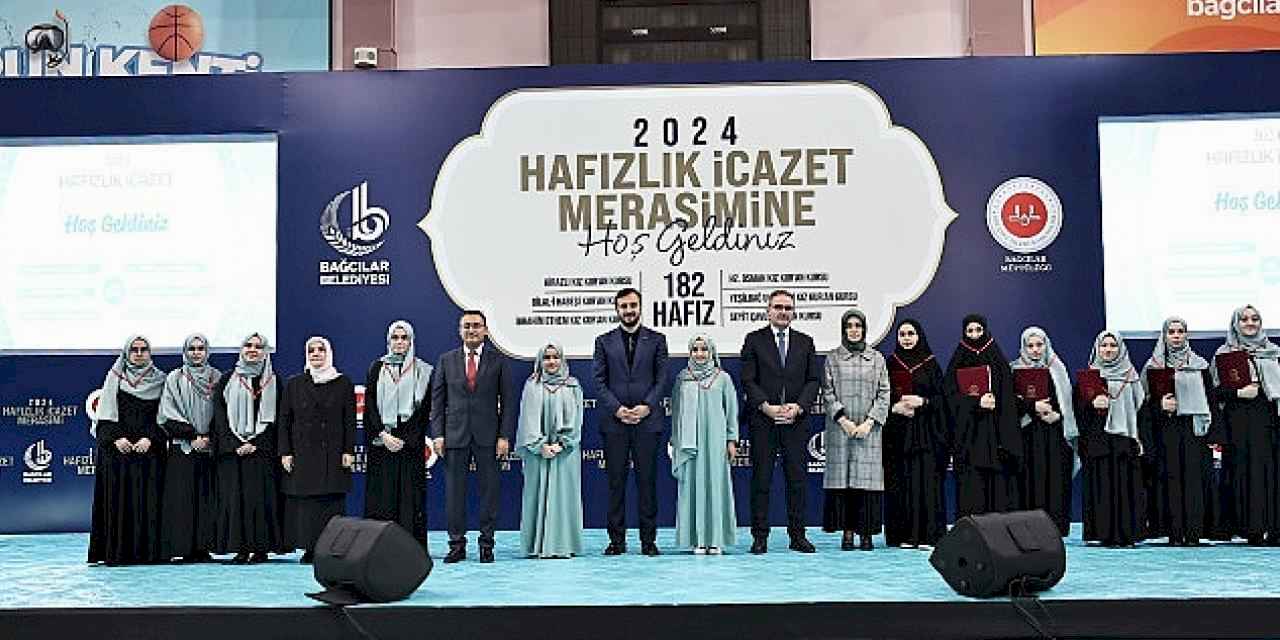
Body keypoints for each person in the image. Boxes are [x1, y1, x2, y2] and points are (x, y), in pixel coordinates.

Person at [430, 310, 516, 564]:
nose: (471, 330)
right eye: (466, 326)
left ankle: (486, 545)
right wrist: (438, 435)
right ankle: (456, 545)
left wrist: (504, 436)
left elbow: (508, 402)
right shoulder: (446, 360)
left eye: (476, 325)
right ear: (460, 331)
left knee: (489, 494)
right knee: (454, 495)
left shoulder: (498, 361)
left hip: (489, 437)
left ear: (485, 331)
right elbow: (438, 402)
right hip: (454, 436)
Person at [741, 289, 821, 554]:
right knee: (761, 481)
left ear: (793, 312)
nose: (783, 312)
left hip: (795, 422)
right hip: (764, 421)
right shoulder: (754, 340)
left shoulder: (805, 342)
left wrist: (798, 407)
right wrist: (766, 407)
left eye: (788, 308)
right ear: (768, 311)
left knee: (797, 482)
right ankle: (759, 537)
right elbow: (748, 379)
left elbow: (813, 380)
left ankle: (798, 536)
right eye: (778, 307)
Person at [592, 287, 669, 556]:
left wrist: (647, 406)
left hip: (647, 422)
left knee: (647, 483)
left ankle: (649, 541)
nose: (628, 310)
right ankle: (617, 541)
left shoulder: (657, 340)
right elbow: (599, 381)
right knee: (616, 484)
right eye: (623, 306)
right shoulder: (603, 341)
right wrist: (617, 409)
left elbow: (662, 378)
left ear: (640, 307)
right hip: (615, 423)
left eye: (633, 305)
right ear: (617, 309)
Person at [87, 335, 166, 566]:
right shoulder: (114, 377)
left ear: (150, 353)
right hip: (117, 454)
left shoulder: (161, 380)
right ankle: (117, 553)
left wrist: (149, 438)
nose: (139, 354)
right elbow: (104, 418)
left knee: (148, 504)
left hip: (148, 454)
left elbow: (165, 417)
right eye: (134, 350)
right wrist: (116, 438)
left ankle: (147, 554)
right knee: (117, 504)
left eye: (143, 349)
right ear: (126, 353)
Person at [279, 336, 356, 563]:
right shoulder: (295, 384)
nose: (316, 354)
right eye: (311, 350)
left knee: (330, 501)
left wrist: (348, 451)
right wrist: (285, 452)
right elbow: (284, 420)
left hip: (333, 453)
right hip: (303, 453)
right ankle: (310, 548)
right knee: (308, 505)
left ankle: (332, 548)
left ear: (328, 353)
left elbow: (349, 420)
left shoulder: (343, 383)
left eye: (320, 350)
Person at [1141, 317, 1217, 546]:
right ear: (1164, 336)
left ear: (1186, 335)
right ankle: (1173, 534)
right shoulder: (1153, 366)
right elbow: (1142, 406)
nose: (1176, 336)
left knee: (1194, 481)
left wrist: (1213, 435)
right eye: (1171, 332)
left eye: (1180, 331)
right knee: (1170, 479)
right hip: (1166, 432)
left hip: (1194, 431)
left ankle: (1194, 533)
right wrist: (1160, 406)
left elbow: (1211, 401)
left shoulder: (1200, 365)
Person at [820, 309, 891, 551]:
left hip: (868, 431)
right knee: (846, 484)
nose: (853, 330)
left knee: (866, 484)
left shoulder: (877, 359)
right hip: (841, 430)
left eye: (857, 325)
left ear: (864, 329)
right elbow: (827, 393)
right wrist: (843, 420)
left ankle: (866, 534)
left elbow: (884, 394)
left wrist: (870, 422)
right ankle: (848, 533)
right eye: (849, 326)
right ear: (843, 329)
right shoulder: (833, 359)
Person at [212, 332, 283, 564]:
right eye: (248, 345)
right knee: (236, 500)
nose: (252, 350)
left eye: (258, 347)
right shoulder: (227, 380)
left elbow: (280, 420)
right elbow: (220, 417)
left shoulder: (274, 381)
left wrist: (256, 443)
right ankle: (240, 549)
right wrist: (236, 444)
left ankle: (261, 549)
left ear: (265, 352)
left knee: (260, 500)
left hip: (262, 453)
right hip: (233, 454)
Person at [1212, 305, 1280, 545]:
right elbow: (1214, 392)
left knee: (1270, 472)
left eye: (1255, 319)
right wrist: (1238, 393)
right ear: (1235, 324)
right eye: (1244, 319)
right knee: (1243, 472)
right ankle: (1250, 528)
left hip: (1269, 420)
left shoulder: (1273, 352)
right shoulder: (1224, 354)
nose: (1250, 323)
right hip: (1238, 422)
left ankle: (1273, 528)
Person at [363, 320, 433, 552]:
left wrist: (404, 439)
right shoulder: (377, 368)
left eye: (404, 338)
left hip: (409, 445)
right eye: (395, 337)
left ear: (411, 341)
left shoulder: (423, 371)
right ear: (388, 340)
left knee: (409, 499)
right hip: (382, 444)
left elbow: (424, 411)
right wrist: (383, 434)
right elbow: (370, 406)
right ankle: (379, 549)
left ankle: (410, 549)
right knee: (381, 497)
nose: (400, 342)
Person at [944, 314, 1022, 518]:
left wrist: (995, 401)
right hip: (969, 439)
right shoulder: (959, 358)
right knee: (971, 488)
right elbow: (949, 396)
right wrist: (975, 403)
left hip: (995, 437)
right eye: (969, 331)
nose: (974, 335)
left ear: (985, 331)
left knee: (996, 489)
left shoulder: (996, 358)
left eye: (978, 330)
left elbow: (1008, 395)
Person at [1076, 330, 1147, 547]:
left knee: (1125, 486)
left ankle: (1126, 534)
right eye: (1104, 345)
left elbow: (1140, 407)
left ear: (1121, 349)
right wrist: (1091, 404)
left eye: (1113, 345)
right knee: (1102, 486)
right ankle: (1103, 533)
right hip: (1098, 441)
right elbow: (1077, 410)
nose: (1108, 350)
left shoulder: (1131, 376)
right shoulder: (1089, 376)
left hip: (1124, 440)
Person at [883, 319, 949, 549]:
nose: (907, 338)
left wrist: (923, 402)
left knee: (927, 482)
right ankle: (904, 535)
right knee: (902, 483)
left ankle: (928, 535)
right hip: (899, 434)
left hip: (926, 433)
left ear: (919, 336)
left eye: (911, 333)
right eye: (902, 334)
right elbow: (880, 396)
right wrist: (894, 407)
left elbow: (942, 399)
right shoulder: (890, 364)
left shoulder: (930, 363)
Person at [671, 334, 739, 554]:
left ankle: (716, 539)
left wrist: (731, 440)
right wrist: (675, 441)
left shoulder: (723, 378)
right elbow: (676, 412)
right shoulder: (683, 378)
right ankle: (698, 539)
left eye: (704, 349)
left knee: (715, 486)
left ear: (712, 352)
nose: (699, 354)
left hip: (716, 441)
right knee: (693, 486)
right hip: (690, 444)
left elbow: (731, 412)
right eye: (695, 349)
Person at [516, 342, 584, 559]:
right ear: (540, 361)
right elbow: (526, 420)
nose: (551, 362)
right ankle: (536, 545)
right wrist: (539, 446)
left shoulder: (572, 385)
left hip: (565, 453)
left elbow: (578, 420)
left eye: (556, 357)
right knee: (536, 495)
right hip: (538, 453)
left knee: (564, 496)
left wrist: (562, 444)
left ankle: (564, 545)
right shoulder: (532, 385)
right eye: (546, 358)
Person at [158, 333, 222, 562]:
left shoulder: (217, 377)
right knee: (182, 498)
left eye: (200, 348)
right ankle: (182, 548)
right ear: (185, 352)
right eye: (192, 349)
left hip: (209, 448)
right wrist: (192, 436)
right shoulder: (175, 378)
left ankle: (203, 548)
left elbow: (223, 413)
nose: (196, 353)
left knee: (206, 498)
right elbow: (166, 414)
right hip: (183, 447)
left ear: (207, 352)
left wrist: (209, 438)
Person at [1009, 327, 1077, 536]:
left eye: (1039, 345)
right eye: (1030, 346)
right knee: (1030, 480)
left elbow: (1067, 402)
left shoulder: (1057, 368)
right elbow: (1010, 404)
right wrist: (1032, 407)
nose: (1035, 350)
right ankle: (1029, 528)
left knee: (1055, 480)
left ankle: (1055, 528)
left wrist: (1058, 415)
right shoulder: (1014, 370)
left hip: (1054, 434)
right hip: (1027, 435)